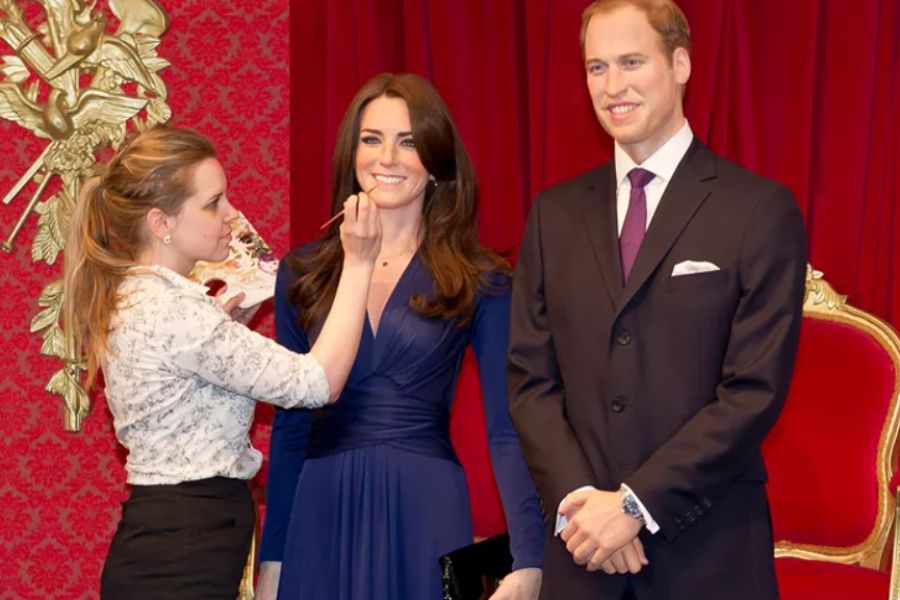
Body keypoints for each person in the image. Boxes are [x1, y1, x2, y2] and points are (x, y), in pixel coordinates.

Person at [507, 1, 808, 598]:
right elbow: (530, 381)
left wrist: (635, 507)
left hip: (709, 554)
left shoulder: (757, 210)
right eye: (597, 67)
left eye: (631, 62)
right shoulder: (553, 215)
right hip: (582, 553)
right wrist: (583, 506)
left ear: (680, 64)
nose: (612, 86)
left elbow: (753, 393)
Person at [257, 73, 544, 600]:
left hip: (427, 509)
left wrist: (528, 556)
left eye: (408, 141)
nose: (386, 157)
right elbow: (290, 429)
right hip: (320, 508)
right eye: (372, 139)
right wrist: (272, 560)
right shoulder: (302, 271)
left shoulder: (482, 278)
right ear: (352, 151)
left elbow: (507, 427)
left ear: (435, 162)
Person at [63, 125, 381, 599]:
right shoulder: (177, 312)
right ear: (161, 223)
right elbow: (317, 384)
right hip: (181, 555)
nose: (231, 214)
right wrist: (359, 263)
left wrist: (223, 332)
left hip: (168, 543)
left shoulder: (141, 298)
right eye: (213, 203)